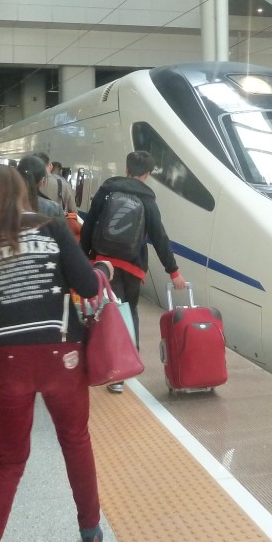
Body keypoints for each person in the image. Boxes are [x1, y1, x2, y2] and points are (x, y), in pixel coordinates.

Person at [0, 165, 111, 542]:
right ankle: (91, 527)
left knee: (9, 461)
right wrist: (103, 269)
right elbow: (87, 285)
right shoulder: (52, 227)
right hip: (61, 353)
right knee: (76, 441)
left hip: (6, 361)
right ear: (21, 192)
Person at [80, 150, 187, 393]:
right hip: (133, 266)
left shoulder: (107, 191)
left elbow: (88, 227)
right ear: (147, 174)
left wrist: (83, 256)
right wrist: (174, 272)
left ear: (126, 168)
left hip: (105, 264)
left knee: (109, 312)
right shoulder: (148, 200)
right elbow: (159, 238)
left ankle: (113, 371)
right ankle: (128, 364)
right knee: (130, 312)